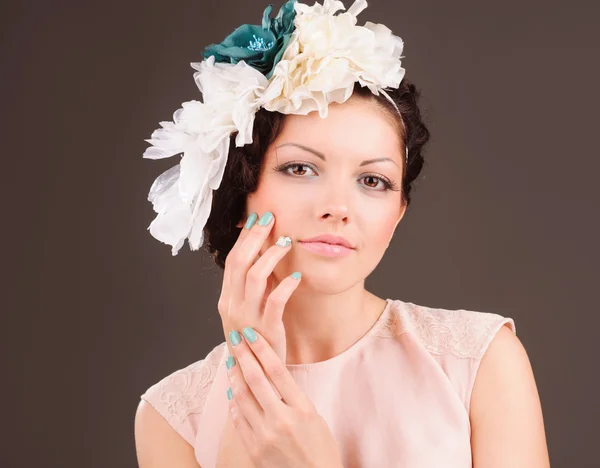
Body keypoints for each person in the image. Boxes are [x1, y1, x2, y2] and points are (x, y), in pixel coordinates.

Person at [134, 1, 550, 467]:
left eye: (373, 180)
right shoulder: (173, 418)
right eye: (300, 168)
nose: (338, 208)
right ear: (238, 191)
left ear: (397, 212)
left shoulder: (480, 362)